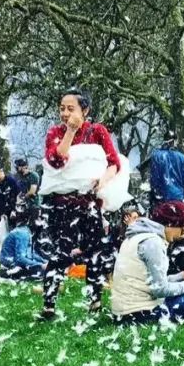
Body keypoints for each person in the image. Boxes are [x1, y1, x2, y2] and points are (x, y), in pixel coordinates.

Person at [39, 89, 120, 320]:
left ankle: (95, 300)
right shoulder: (55, 132)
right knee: (60, 252)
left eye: (70, 108)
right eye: (62, 108)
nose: (65, 113)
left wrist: (102, 180)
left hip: (88, 202)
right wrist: (71, 131)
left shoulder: (98, 131)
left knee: (95, 251)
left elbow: (113, 163)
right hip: (62, 204)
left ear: (85, 110)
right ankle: (49, 304)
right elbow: (56, 160)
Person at [110, 206, 184, 325]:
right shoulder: (153, 242)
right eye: (182, 231)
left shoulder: (135, 237)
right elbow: (160, 289)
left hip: (123, 313)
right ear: (170, 225)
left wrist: (183, 275)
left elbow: (152, 282)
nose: (181, 235)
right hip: (139, 314)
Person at [0, 211, 46, 280]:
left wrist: (44, 262)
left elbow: (30, 254)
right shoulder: (23, 233)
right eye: (40, 218)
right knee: (38, 271)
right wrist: (40, 265)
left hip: (13, 261)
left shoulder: (26, 231)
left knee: (42, 269)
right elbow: (20, 258)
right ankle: (8, 272)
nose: (43, 221)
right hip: (10, 264)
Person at [148, 130, 184, 206]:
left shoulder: (156, 156)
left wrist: (155, 192)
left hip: (161, 197)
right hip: (178, 197)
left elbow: (154, 178)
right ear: (175, 141)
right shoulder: (182, 157)